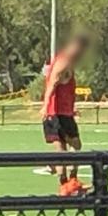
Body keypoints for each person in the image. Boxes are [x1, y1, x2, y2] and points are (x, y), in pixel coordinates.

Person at [39, 35, 90, 196]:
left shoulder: (65, 61)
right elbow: (53, 82)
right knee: (72, 146)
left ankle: (67, 184)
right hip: (58, 113)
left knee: (63, 148)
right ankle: (70, 183)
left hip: (61, 112)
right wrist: (46, 105)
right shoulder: (64, 61)